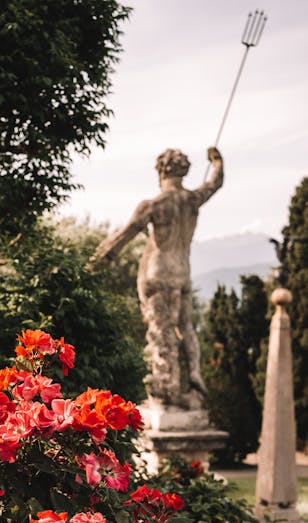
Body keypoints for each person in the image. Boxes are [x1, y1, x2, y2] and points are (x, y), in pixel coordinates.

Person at [90, 147, 224, 407]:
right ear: (183, 171)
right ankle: (194, 373)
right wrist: (217, 162)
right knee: (186, 326)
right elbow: (215, 183)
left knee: (161, 332)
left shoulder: (154, 204)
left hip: (157, 272)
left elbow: (124, 235)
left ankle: (166, 391)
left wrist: (99, 259)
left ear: (161, 171)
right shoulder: (192, 200)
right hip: (182, 272)